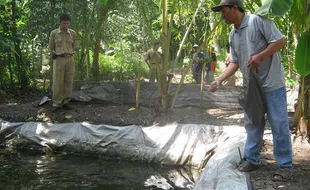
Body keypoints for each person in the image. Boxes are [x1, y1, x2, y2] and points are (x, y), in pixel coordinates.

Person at [210, 0, 293, 182]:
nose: (222, 15)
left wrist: (260, 56)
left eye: (224, 11)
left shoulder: (258, 21)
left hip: (272, 82)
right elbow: (235, 62)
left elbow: (280, 41)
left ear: (234, 8)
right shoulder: (233, 34)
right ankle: (252, 159)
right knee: (252, 122)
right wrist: (219, 80)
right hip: (251, 85)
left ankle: (285, 165)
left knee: (278, 123)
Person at [48, 13, 79, 112]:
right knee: (58, 82)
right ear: (60, 22)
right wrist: (56, 55)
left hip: (70, 58)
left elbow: (75, 45)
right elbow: (51, 47)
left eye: (68, 23)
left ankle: (66, 101)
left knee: (68, 81)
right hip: (59, 59)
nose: (66, 25)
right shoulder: (54, 33)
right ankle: (57, 103)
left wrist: (72, 52)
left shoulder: (73, 33)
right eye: (64, 23)